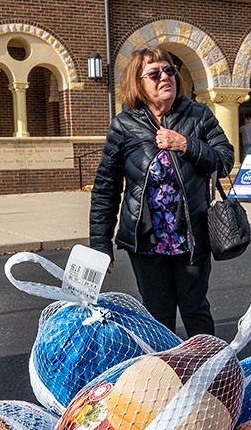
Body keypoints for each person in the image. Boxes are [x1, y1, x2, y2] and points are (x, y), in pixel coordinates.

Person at [88, 48, 234, 336]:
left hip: (192, 236)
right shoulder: (124, 126)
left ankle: (209, 372)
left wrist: (186, 144)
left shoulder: (198, 115)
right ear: (138, 83)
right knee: (157, 313)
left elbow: (225, 159)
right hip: (147, 241)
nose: (165, 77)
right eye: (154, 74)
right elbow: (107, 186)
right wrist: (100, 244)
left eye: (169, 71)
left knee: (195, 309)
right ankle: (164, 375)